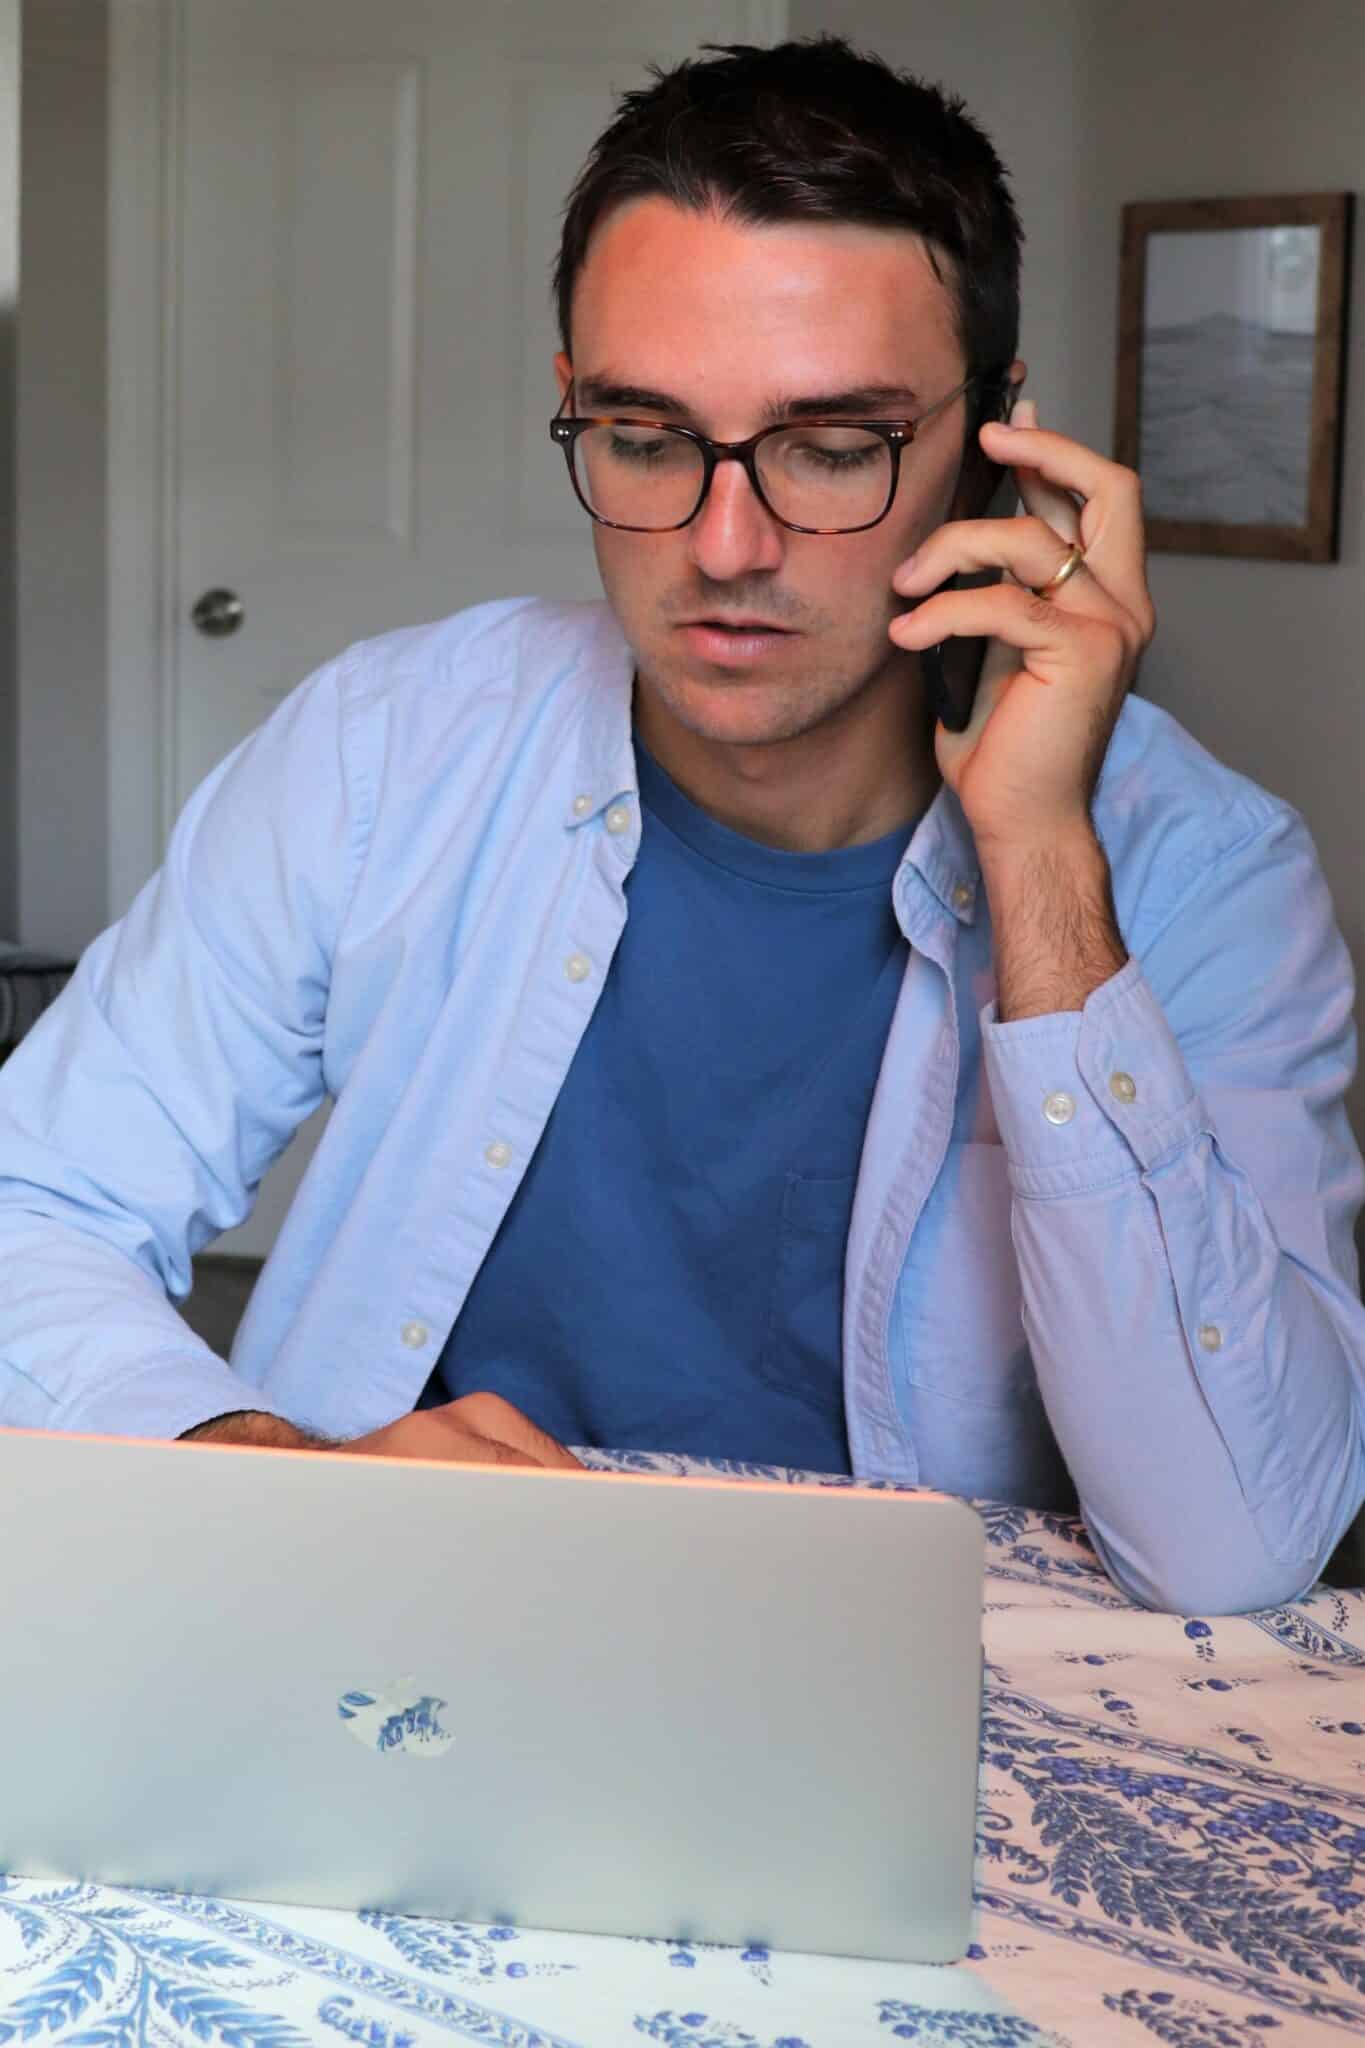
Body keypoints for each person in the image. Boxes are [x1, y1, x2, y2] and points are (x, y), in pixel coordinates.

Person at [0, 37, 1361, 1614]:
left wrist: (1042, 861)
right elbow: (37, 1202)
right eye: (646, 440)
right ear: (573, 405)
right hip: (405, 1623)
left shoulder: (1203, 869)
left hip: (903, 1682)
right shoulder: (385, 750)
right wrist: (266, 1470)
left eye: (832, 449)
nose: (724, 547)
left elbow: (1236, 1543)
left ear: (996, 441)